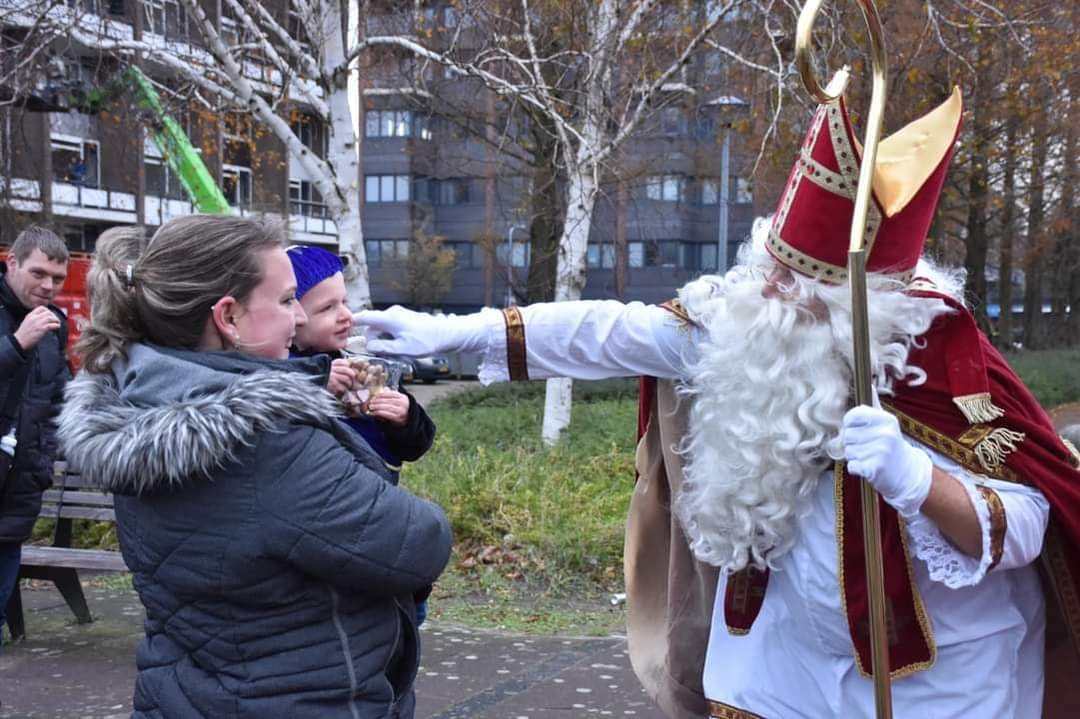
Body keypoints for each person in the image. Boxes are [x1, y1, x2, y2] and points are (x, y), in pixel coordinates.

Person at [355, 82, 1080, 718]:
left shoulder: (939, 368)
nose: (762, 290)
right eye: (770, 264)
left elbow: (1026, 524)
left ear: (847, 308)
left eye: (789, 285)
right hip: (781, 655)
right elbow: (604, 332)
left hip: (939, 677)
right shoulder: (747, 328)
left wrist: (915, 479)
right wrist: (450, 332)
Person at [57, 217, 451, 719]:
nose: (297, 320)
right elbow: (419, 542)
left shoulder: (135, 403)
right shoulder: (270, 443)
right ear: (229, 317)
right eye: (288, 301)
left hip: (183, 691)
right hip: (299, 698)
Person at [287, 245, 437, 624]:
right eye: (326, 308)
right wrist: (316, 386)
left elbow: (412, 447)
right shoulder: (279, 375)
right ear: (288, 318)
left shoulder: (361, 367)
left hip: (376, 517)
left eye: (344, 302)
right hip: (329, 531)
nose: (345, 316)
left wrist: (404, 418)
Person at [0, 226, 69, 646]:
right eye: (38, 273)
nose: (48, 286)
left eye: (57, 279)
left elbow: (60, 398)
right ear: (12, 263)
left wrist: (47, 454)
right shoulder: (27, 328)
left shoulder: (54, 326)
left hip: (19, 484)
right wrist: (16, 344)